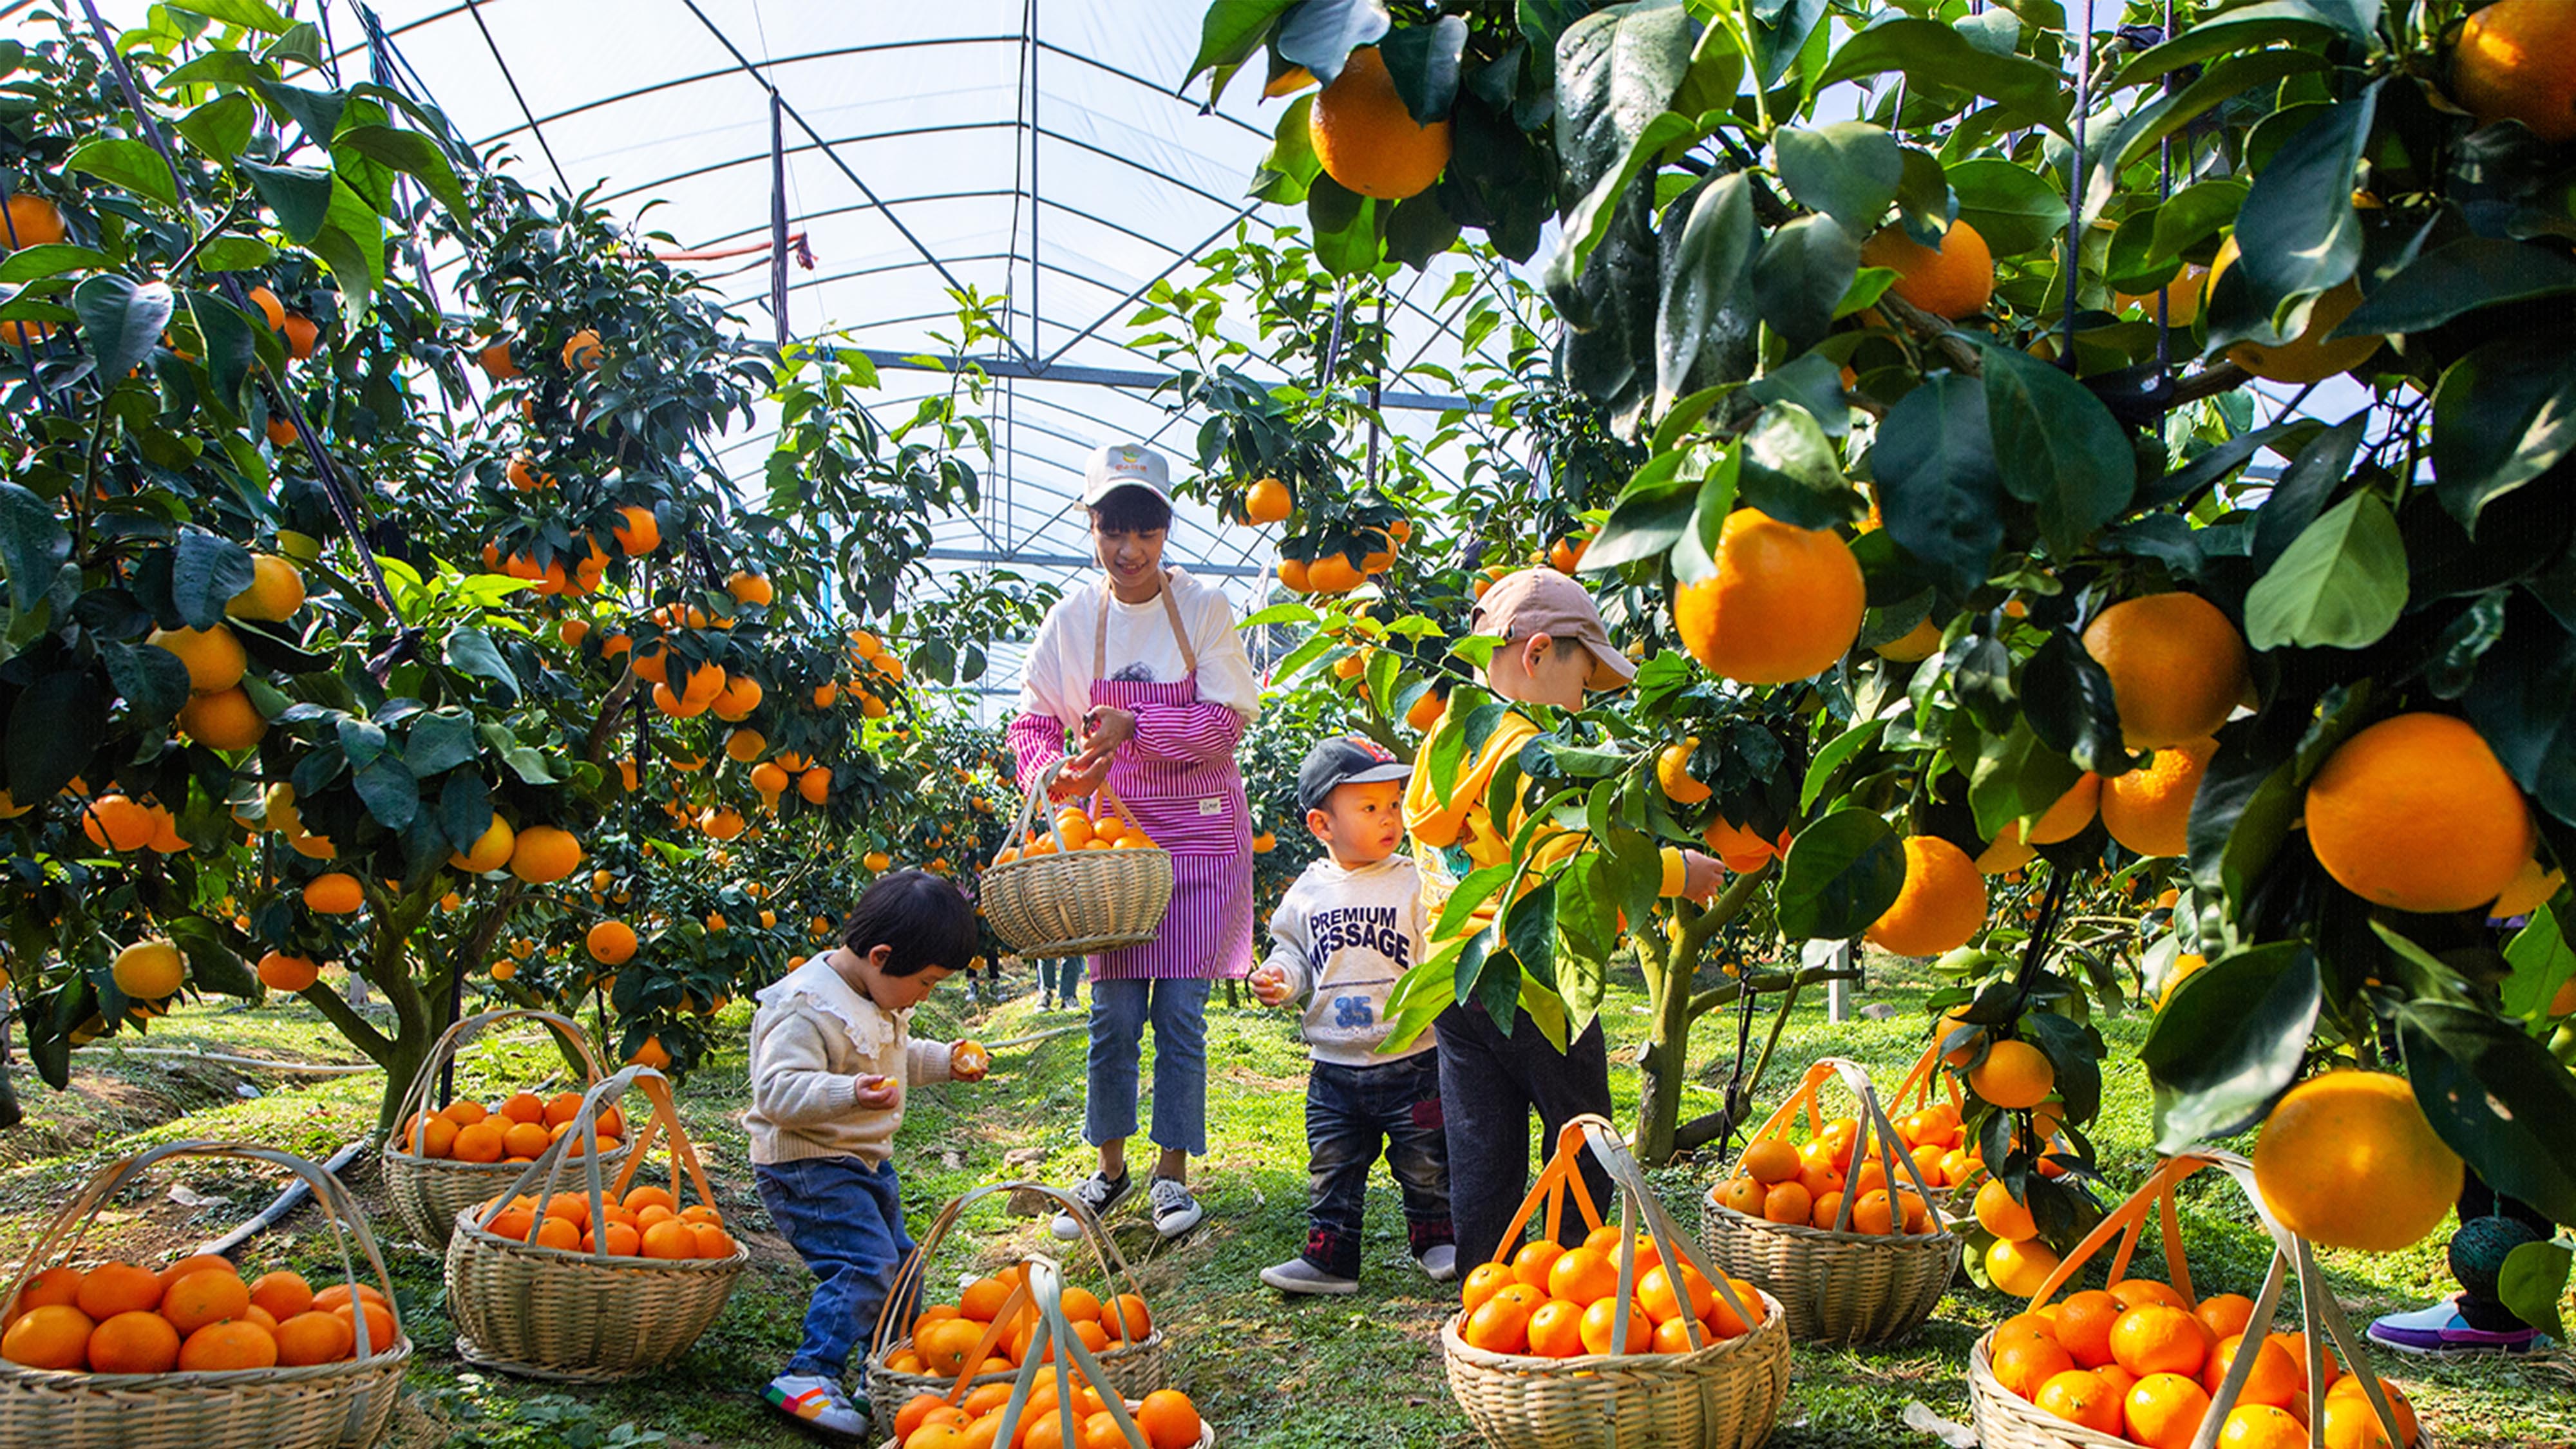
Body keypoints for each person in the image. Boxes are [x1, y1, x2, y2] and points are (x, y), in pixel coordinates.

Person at [1405, 567, 1723, 1271]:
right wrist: (1675, 870)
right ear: (1539, 652)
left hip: (1456, 973)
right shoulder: (1530, 753)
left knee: (1480, 1141)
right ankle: (1572, 1272)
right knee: (1582, 1131)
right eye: (1583, 675)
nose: (1583, 699)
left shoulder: (1444, 739)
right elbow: (1571, 867)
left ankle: (1485, 1284)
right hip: (1535, 975)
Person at [1007, 442, 1260, 1240]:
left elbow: (1225, 725)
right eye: (1113, 529)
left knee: (1180, 1014)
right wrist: (1052, 774)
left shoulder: (1205, 609)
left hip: (1197, 841)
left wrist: (1134, 725)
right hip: (1114, 847)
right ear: (1091, 527)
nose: (1129, 549)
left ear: (1165, 531)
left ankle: (1172, 1176)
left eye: (1144, 531)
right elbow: (1032, 721)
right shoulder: (1076, 620)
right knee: (1114, 1015)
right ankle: (1109, 1171)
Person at [748, 870, 989, 1440]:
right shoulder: (804, 1009)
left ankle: (886, 1370)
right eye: (928, 983)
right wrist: (847, 1092)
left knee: (902, 1269)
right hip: (805, 1165)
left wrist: (945, 1062)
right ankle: (808, 1373)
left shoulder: (872, 993)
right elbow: (776, 1092)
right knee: (864, 1266)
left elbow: (893, 1055)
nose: (926, 995)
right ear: (881, 956)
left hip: (861, 1161)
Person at [1251, 735, 1455, 1294]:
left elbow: (1436, 945)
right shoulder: (1308, 892)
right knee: (1333, 1166)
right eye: (1370, 808)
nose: (1389, 818)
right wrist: (1281, 978)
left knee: (1426, 1162)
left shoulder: (1414, 879)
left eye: (1394, 803)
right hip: (1333, 1067)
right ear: (1322, 824)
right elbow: (1291, 951)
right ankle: (1330, 1258)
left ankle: (1438, 1238)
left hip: (1412, 1058)